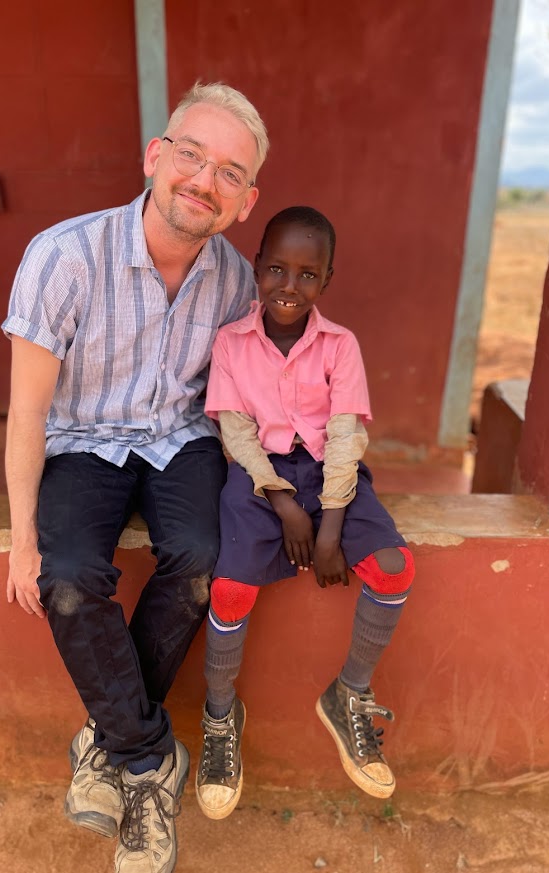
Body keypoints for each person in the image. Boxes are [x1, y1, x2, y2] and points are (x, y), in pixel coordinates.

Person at [2, 82, 267, 873]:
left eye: (229, 172)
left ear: (245, 200)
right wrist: (22, 536)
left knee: (198, 557)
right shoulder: (64, 255)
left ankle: (108, 743)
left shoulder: (236, 280)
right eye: (191, 155)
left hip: (179, 438)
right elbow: (31, 410)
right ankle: (148, 759)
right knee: (71, 579)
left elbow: (239, 399)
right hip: (82, 438)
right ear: (156, 157)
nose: (203, 181)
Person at [194, 206, 415, 820]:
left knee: (394, 570)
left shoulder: (340, 347)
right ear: (256, 271)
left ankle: (349, 693)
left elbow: (344, 436)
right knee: (231, 588)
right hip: (259, 479)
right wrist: (287, 507)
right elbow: (236, 434)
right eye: (275, 269)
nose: (289, 287)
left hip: (330, 475)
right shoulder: (232, 343)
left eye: (307, 275)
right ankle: (219, 715)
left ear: (327, 280)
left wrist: (330, 526)